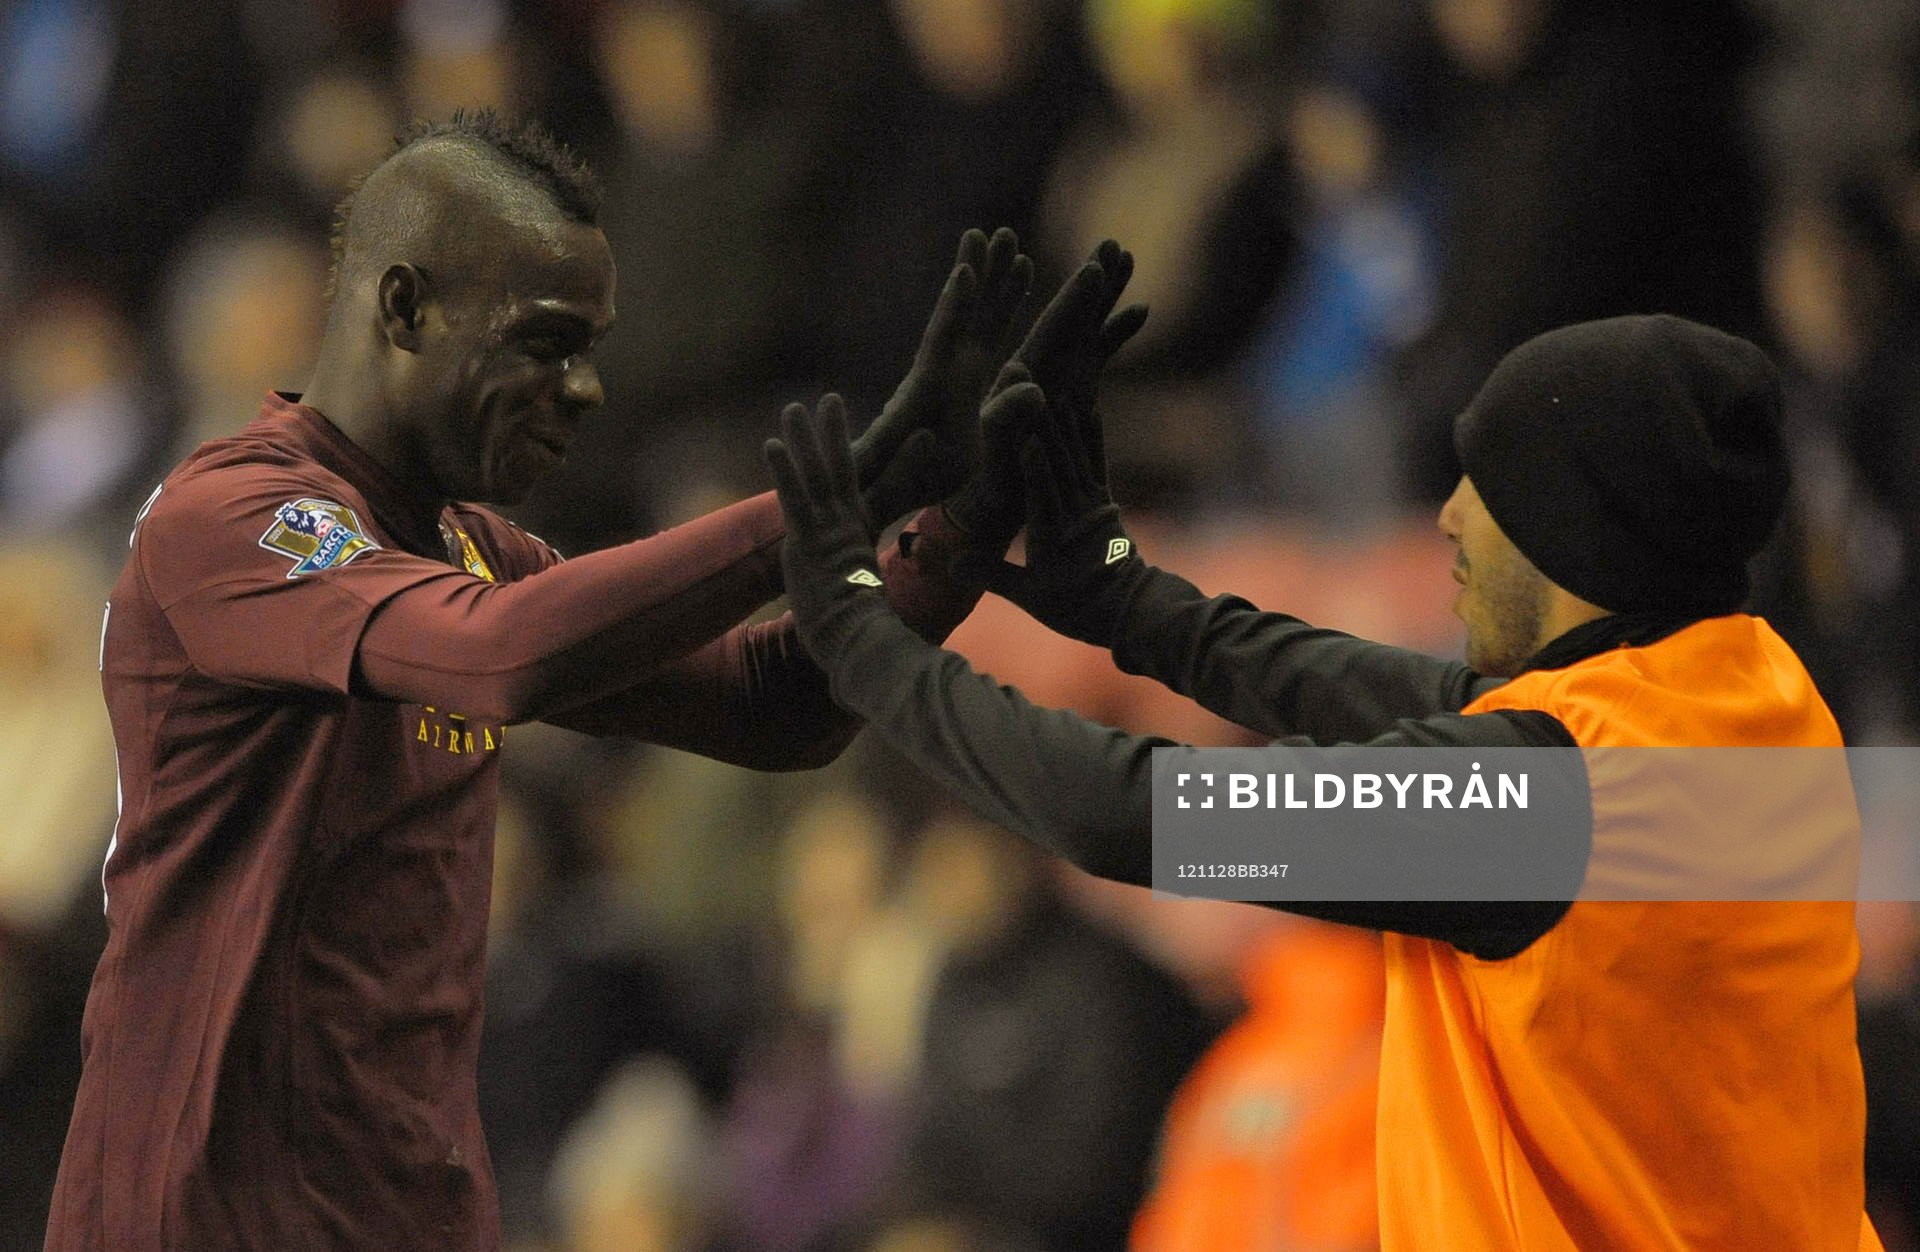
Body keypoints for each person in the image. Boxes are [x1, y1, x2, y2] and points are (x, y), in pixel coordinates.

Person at [42, 110, 1135, 1250]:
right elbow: (495, 655)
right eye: (545, 343)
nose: (584, 389)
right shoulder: (232, 520)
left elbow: (779, 707)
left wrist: (950, 523)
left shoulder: (471, 549)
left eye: (591, 349)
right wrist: (817, 508)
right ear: (405, 308)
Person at [765, 312, 1886, 1249]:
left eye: (1485, 484)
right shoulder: (1754, 705)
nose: (1447, 515)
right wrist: (1122, 597)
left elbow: (1140, 816)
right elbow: (1392, 694)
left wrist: (873, 657)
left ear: (1573, 528)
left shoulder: (1546, 810)